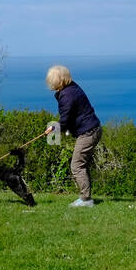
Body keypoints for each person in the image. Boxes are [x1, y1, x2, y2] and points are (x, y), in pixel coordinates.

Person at [46, 65, 101, 207]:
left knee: (76, 166)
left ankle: (86, 200)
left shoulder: (67, 95)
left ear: (58, 81)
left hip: (88, 132)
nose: (50, 84)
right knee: (81, 165)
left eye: (51, 80)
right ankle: (85, 197)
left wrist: (53, 129)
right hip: (92, 129)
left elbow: (65, 119)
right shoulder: (71, 88)